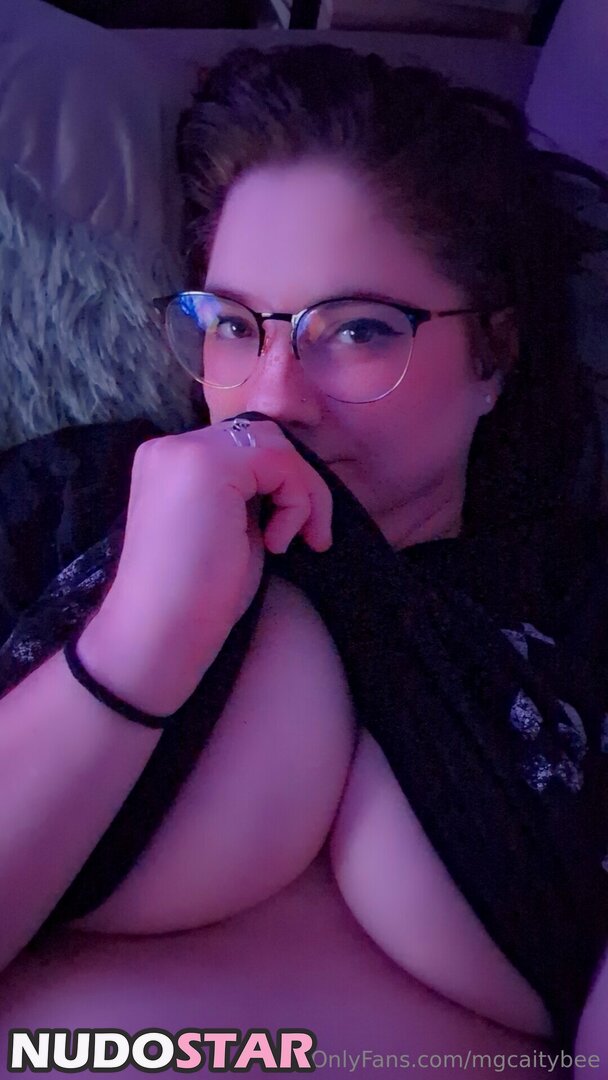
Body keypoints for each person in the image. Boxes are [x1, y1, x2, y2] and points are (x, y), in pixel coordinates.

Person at [0, 43, 607, 1075]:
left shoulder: (580, 608)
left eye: (356, 330)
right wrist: (136, 641)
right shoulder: (71, 501)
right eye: (233, 326)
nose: (273, 396)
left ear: (493, 353)